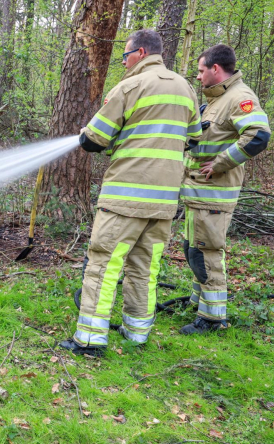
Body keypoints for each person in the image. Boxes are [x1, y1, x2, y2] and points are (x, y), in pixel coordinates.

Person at [59, 29, 202, 357]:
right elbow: (194, 138)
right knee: (145, 266)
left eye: (125, 56)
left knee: (104, 262)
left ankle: (90, 339)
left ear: (139, 52)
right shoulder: (185, 88)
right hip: (164, 201)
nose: (123, 62)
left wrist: (86, 134)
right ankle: (137, 334)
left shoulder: (130, 86)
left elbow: (95, 139)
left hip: (125, 197)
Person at [180, 44, 271, 334]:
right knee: (193, 248)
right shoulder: (218, 99)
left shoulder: (239, 97)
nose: (198, 77)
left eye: (201, 70)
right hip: (198, 193)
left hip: (214, 193)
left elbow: (258, 135)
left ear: (215, 69)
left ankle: (212, 318)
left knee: (206, 253)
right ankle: (199, 300)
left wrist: (219, 164)